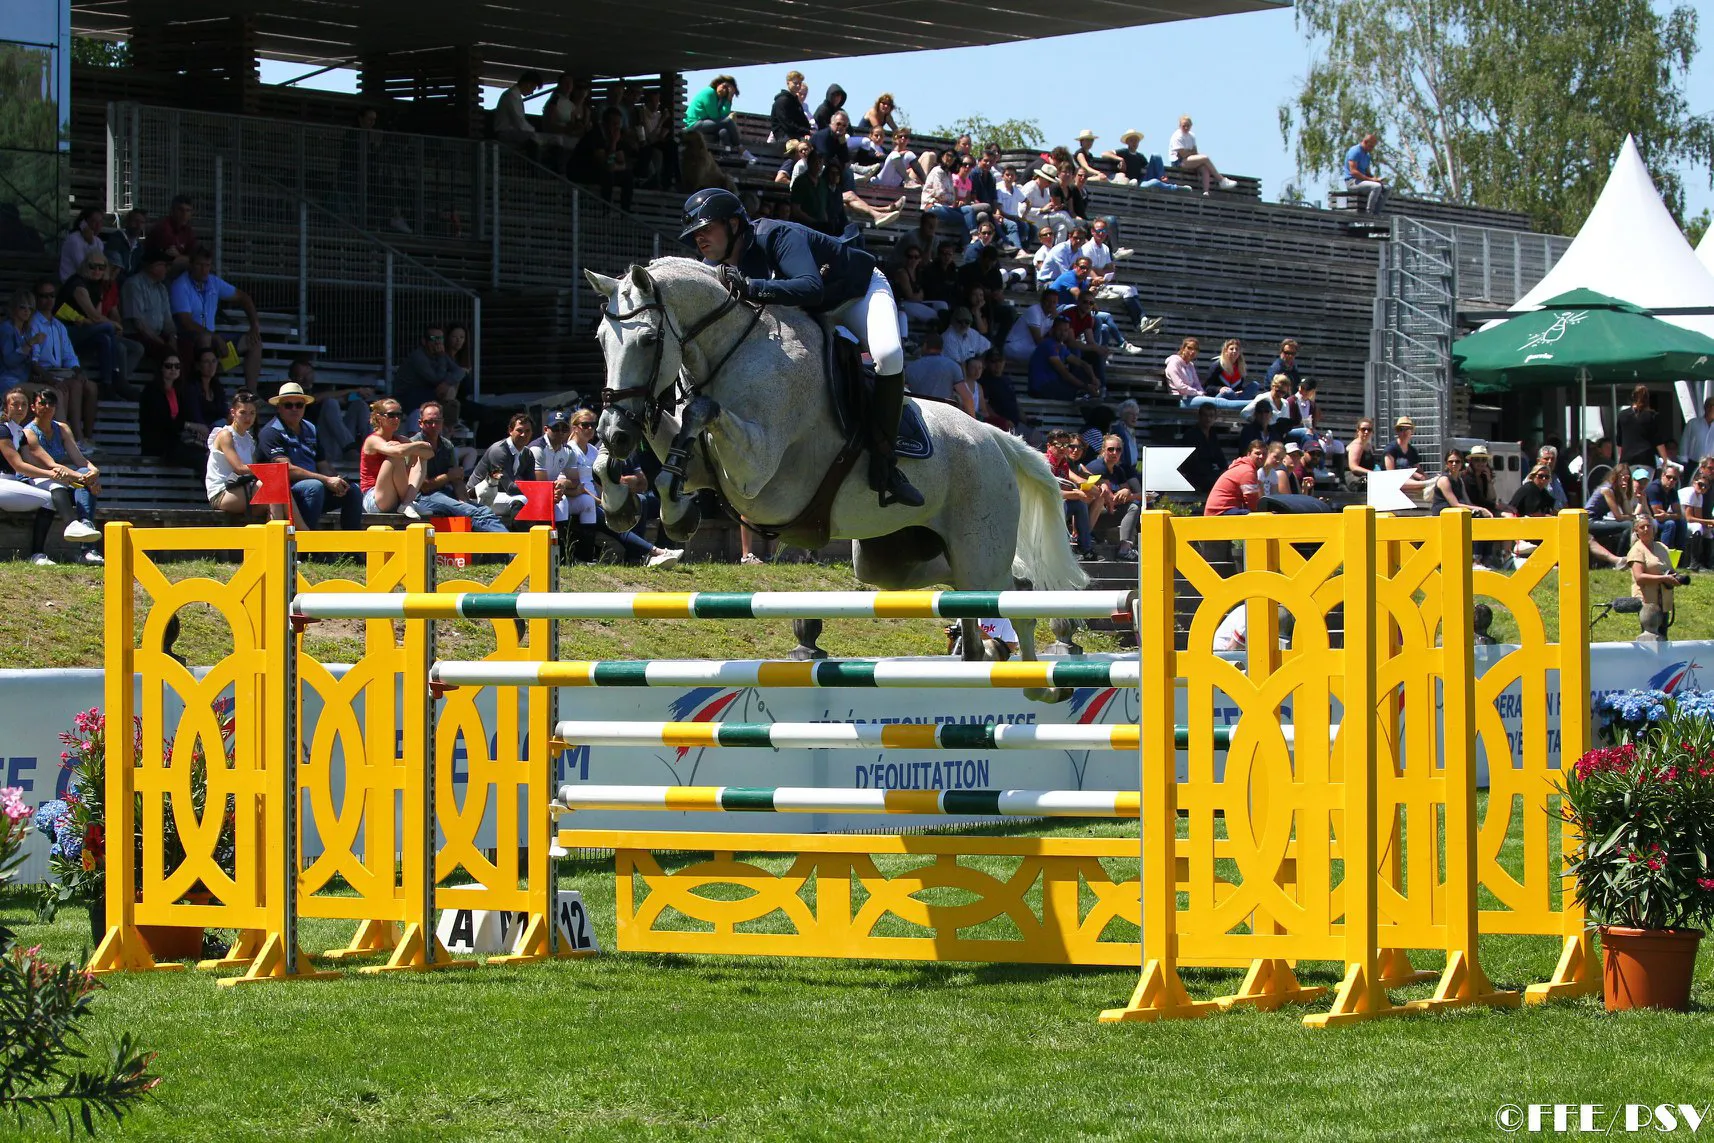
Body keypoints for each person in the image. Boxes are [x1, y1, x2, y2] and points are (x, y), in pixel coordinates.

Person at [679, 187, 923, 507]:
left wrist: (751, 287)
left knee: (889, 357)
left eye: (706, 229)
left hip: (857, 292)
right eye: (695, 234)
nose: (700, 239)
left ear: (734, 224)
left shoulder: (776, 234)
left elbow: (810, 287)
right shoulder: (715, 266)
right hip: (812, 312)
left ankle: (886, 463)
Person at [257, 382, 364, 530]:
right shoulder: (270, 432)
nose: (294, 409)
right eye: (288, 405)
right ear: (279, 407)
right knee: (315, 487)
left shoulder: (311, 428)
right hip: (288, 492)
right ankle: (307, 549)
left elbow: (322, 464)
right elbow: (286, 470)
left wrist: (336, 480)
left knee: (353, 490)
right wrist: (326, 480)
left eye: (299, 405)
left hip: (315, 487)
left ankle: (352, 550)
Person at [23, 387, 102, 562]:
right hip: (37, 479)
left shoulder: (62, 428)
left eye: (51, 403)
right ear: (33, 407)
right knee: (63, 491)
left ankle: (86, 533)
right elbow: (52, 465)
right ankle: (87, 547)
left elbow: (80, 460)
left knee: (84, 476)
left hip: (62, 479)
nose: (47, 406)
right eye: (42, 403)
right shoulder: (29, 432)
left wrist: (94, 472)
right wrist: (85, 480)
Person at [406, 401, 507, 532]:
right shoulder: (414, 444)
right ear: (420, 423)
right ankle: (511, 550)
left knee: (483, 510)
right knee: (474, 513)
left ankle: (503, 549)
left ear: (442, 422)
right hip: (421, 499)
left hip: (444, 493)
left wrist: (463, 500)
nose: (433, 425)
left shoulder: (447, 445)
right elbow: (424, 486)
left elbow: (457, 480)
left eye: (437, 421)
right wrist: (449, 476)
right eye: (428, 422)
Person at [170, 246, 261, 388]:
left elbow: (244, 297)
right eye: (199, 265)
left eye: (207, 265)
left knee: (254, 343)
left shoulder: (213, 282)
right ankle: (203, 386)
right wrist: (215, 337)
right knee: (206, 338)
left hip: (212, 338)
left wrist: (254, 326)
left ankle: (251, 393)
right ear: (191, 265)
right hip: (189, 339)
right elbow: (186, 322)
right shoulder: (180, 286)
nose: (204, 269)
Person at [58, 252, 140, 397]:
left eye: (101, 267)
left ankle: (107, 385)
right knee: (108, 327)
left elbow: (98, 316)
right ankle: (116, 375)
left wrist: (103, 290)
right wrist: (115, 324)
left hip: (83, 329)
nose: (97, 271)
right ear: (85, 266)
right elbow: (95, 317)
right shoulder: (78, 284)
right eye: (92, 267)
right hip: (65, 332)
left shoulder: (97, 286)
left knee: (105, 338)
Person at [27, 280, 98, 446]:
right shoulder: (33, 323)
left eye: (52, 295)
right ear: (36, 298)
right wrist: (51, 379)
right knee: (73, 386)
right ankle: (76, 439)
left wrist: (78, 370)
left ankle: (87, 438)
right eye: (43, 296)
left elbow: (69, 355)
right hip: (44, 373)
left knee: (90, 386)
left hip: (62, 371)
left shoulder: (59, 325)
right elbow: (33, 361)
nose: (49, 299)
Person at [0, 387, 63, 563]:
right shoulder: (2, 430)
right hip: (2, 481)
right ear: (6, 407)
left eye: (24, 405)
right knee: (49, 499)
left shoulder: (20, 433)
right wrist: (51, 473)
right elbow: (18, 465)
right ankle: (37, 554)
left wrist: (64, 476)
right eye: (15, 405)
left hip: (10, 482)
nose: (20, 408)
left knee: (52, 495)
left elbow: (30, 464)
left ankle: (38, 554)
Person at [358, 397, 433, 516]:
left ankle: (407, 502)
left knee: (421, 457)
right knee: (396, 458)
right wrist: (418, 444)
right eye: (391, 415)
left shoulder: (400, 439)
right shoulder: (372, 440)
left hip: (395, 496)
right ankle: (408, 503)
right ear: (379, 417)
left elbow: (429, 454)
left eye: (399, 415)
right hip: (374, 498)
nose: (396, 419)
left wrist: (416, 448)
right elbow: (398, 453)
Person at [394, 324, 470, 430]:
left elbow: (459, 371)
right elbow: (436, 379)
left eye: (440, 338)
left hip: (427, 393)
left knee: (452, 398)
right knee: (450, 400)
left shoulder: (439, 354)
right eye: (433, 338)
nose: (438, 342)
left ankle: (448, 430)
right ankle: (448, 429)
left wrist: (447, 382)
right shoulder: (419, 357)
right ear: (424, 341)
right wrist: (442, 357)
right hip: (408, 396)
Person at [138, 354, 206, 471]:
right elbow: (162, 421)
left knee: (207, 455)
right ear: (161, 368)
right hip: (158, 444)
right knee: (200, 459)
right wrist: (191, 426)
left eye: (177, 366)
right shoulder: (152, 391)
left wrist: (196, 430)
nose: (173, 369)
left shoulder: (179, 391)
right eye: (169, 366)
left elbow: (184, 417)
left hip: (175, 441)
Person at [206, 390, 266, 519]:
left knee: (279, 490)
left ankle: (299, 532)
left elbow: (253, 470)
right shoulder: (225, 435)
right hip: (222, 493)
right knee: (269, 488)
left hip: (241, 489)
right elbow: (239, 468)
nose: (248, 418)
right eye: (243, 413)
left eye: (252, 413)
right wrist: (270, 470)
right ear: (233, 413)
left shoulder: (249, 439)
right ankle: (302, 531)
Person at [467, 412, 538, 516]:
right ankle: (517, 532)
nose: (524, 435)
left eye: (527, 431)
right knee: (522, 501)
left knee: (547, 500)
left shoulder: (528, 453)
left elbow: (531, 482)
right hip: (478, 496)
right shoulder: (499, 451)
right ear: (510, 430)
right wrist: (538, 489)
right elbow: (509, 487)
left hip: (501, 494)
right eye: (519, 430)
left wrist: (545, 492)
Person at [569, 106, 636, 212]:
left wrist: (617, 165)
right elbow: (608, 165)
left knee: (628, 176)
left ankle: (625, 214)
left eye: (619, 124)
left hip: (599, 170)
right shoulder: (595, 135)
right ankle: (606, 211)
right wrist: (613, 144)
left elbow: (623, 163)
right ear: (605, 124)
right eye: (614, 124)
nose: (617, 127)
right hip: (581, 171)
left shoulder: (616, 135)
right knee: (607, 174)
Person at [1086, 433, 1142, 560]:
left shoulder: (1118, 470)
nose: (1114, 452)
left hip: (1106, 512)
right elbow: (1111, 499)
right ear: (1103, 451)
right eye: (1110, 449)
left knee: (1137, 507)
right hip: (1091, 516)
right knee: (1133, 507)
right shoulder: (1098, 466)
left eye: (1118, 449)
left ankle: (1129, 546)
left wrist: (1127, 492)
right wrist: (1138, 495)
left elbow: (1125, 489)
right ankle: (1124, 549)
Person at [1626, 514, 1683, 637]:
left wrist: (1675, 577)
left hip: (1663, 601)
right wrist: (1663, 578)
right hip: (1647, 603)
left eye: (1648, 526)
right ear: (1636, 531)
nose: (1646, 529)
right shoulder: (1637, 550)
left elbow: (1670, 570)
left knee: (1663, 636)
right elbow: (1639, 578)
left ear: (1654, 528)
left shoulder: (1661, 547)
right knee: (1650, 637)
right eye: (1642, 527)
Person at [1027, 315, 1101, 401]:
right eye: (1059, 330)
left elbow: (1082, 363)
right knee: (1081, 394)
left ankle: (1094, 393)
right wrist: (1086, 387)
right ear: (1052, 330)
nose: (1063, 333)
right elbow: (1064, 374)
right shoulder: (1048, 345)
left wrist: (1093, 378)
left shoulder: (1061, 347)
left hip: (1053, 386)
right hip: (1041, 388)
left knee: (1084, 374)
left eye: (1066, 330)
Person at [122, 250, 176, 362]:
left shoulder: (162, 288)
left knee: (186, 347)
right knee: (167, 353)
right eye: (164, 265)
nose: (168, 269)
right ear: (153, 267)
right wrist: (163, 343)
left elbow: (168, 321)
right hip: (137, 336)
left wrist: (172, 338)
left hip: (157, 336)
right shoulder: (134, 285)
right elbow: (139, 325)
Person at [684, 75, 753, 161]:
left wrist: (728, 100)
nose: (724, 89)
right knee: (727, 121)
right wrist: (727, 117)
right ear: (717, 84)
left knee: (724, 131)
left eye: (727, 89)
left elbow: (722, 116)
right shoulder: (709, 92)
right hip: (693, 124)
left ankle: (725, 155)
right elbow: (715, 116)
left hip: (705, 124)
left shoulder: (721, 99)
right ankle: (741, 149)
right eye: (723, 86)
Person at [1167, 116, 1237, 195]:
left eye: (1188, 125)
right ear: (1180, 126)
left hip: (1188, 160)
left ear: (1191, 125)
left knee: (1204, 166)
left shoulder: (1191, 136)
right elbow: (1182, 154)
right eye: (1184, 126)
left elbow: (1195, 152)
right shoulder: (1177, 136)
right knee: (1205, 158)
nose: (1186, 127)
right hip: (1178, 162)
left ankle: (1206, 192)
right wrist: (1191, 153)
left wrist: (1190, 153)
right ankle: (1221, 180)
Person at [1644, 462, 1692, 564]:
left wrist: (1668, 515)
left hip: (1662, 518)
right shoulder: (1654, 488)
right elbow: (1658, 516)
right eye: (1669, 477)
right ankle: (1662, 559)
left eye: (1674, 479)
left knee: (1682, 522)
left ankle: (1679, 559)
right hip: (1647, 518)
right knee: (1669, 524)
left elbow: (1679, 514)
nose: (1671, 480)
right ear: (1662, 475)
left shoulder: (1672, 491)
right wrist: (1670, 516)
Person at [1205, 442, 1265, 515]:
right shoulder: (1247, 471)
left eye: (1264, 454)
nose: (1261, 456)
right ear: (1249, 454)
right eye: (1257, 453)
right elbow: (1252, 501)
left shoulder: (1245, 467)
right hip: (1219, 512)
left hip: (1222, 510)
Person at [903, 331, 963, 402]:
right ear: (942, 347)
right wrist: (970, 413)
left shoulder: (910, 368)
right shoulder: (953, 366)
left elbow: (902, 395)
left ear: (925, 345)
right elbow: (967, 396)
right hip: (944, 411)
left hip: (920, 411)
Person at [1617, 385, 1668, 470]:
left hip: (1627, 459)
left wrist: (1620, 460)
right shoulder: (1652, 416)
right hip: (1646, 458)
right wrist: (1665, 460)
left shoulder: (1622, 415)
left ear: (1632, 397)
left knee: (1630, 483)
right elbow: (1658, 441)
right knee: (1645, 483)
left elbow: (1619, 442)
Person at [1180, 403, 1226, 496]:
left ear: (1215, 418)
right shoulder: (1191, 434)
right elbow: (1190, 463)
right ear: (1199, 416)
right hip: (1194, 475)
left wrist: (1225, 469)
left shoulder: (1213, 434)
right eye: (1205, 415)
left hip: (1210, 473)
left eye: (1211, 416)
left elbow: (1219, 455)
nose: (1208, 419)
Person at [1430, 450, 1492, 518]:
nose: (1454, 464)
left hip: (1456, 515)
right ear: (1446, 464)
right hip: (1442, 517)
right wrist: (1481, 509)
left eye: (1457, 461)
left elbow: (1468, 502)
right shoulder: (1444, 480)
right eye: (1451, 462)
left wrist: (1481, 509)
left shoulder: (1460, 480)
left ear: (1461, 463)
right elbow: (1455, 504)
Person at [145, 195, 196, 271]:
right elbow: (171, 258)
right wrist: (187, 259)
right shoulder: (163, 227)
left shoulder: (188, 230)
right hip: (155, 269)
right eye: (180, 210)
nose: (184, 214)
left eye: (188, 211)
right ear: (172, 211)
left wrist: (181, 256)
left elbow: (196, 256)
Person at [58, 208, 108, 284]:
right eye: (94, 221)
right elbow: (84, 267)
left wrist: (91, 242)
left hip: (90, 281)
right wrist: (90, 243)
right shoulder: (74, 240)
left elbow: (100, 264)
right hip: (71, 282)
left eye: (100, 222)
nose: (98, 225)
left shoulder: (98, 242)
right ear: (84, 223)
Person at [1344, 134, 1387, 214]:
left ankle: (1377, 212)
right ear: (1365, 142)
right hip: (1352, 182)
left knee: (1387, 187)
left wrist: (1376, 179)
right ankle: (1369, 213)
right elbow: (1353, 172)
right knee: (1376, 187)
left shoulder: (1367, 155)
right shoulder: (1355, 151)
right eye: (1371, 146)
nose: (1372, 149)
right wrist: (1372, 180)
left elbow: (1367, 173)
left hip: (1362, 182)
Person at [770, 71, 813, 141]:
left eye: (800, 83)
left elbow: (803, 120)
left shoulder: (795, 101)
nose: (798, 86)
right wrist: (806, 131)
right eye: (795, 83)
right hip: (785, 138)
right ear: (788, 83)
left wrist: (808, 131)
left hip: (797, 136)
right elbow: (787, 124)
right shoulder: (782, 101)